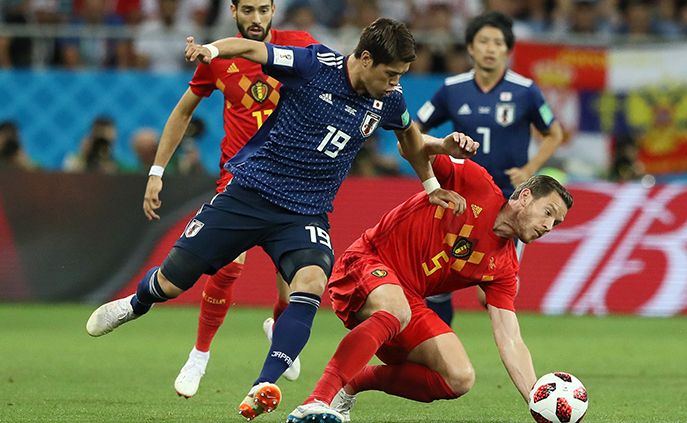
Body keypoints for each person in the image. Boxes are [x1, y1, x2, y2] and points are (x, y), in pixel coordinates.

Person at [86, 17, 476, 421]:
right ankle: (136, 303)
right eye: (391, 74)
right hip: (249, 194)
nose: (397, 83)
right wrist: (213, 51)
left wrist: (433, 181)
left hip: (305, 212)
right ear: (363, 59)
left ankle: (264, 384)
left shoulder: (389, 100)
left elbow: (409, 138)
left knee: (311, 281)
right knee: (171, 282)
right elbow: (252, 50)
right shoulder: (313, 65)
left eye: (401, 76)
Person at [285, 142, 573, 423]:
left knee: (459, 377)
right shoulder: (475, 183)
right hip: (367, 261)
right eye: (548, 213)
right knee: (397, 310)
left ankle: (353, 382)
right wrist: (444, 145)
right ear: (524, 197)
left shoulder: (504, 269)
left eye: (556, 223)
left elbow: (510, 339)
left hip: (407, 300)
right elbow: (408, 147)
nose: (548, 227)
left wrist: (538, 401)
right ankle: (314, 403)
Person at [138, 0, 318, 400]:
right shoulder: (216, 58)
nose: (256, 19)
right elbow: (182, 113)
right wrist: (156, 172)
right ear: (233, 10)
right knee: (227, 266)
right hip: (238, 178)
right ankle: (200, 354)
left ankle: (278, 330)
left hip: (292, 181)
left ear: (274, 10)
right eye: (248, 10)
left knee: (293, 282)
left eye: (264, 10)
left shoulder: (301, 46)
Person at [416, 11, 564, 325]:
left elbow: (554, 133)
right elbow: (414, 129)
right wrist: (440, 152)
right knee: (438, 284)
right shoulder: (452, 89)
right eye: (483, 41)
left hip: (510, 203)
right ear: (470, 47)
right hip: (460, 199)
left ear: (508, 50)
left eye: (498, 42)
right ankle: (437, 350)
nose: (490, 48)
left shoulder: (526, 90)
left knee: (491, 293)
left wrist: (530, 169)